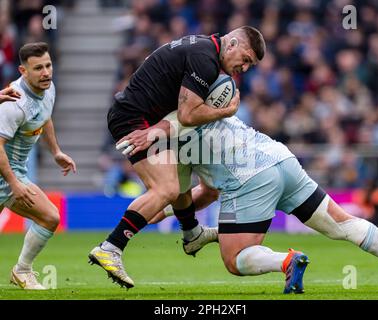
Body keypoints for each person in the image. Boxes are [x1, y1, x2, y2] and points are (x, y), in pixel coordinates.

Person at [147, 111, 378, 293]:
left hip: (251, 177)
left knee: (235, 258)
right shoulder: (207, 106)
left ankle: (285, 261)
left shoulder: (173, 132)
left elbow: (202, 193)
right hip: (281, 159)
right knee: (342, 225)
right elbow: (208, 192)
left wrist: (162, 209)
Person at [88, 26, 266, 288]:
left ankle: (192, 233)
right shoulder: (205, 59)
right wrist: (225, 112)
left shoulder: (204, 49)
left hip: (144, 117)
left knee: (181, 185)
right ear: (233, 44)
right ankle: (111, 246)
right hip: (134, 119)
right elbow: (186, 115)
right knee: (167, 188)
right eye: (246, 59)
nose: (245, 68)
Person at [0, 42, 77, 290]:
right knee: (50, 216)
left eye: (48, 65)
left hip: (14, 172)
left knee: (49, 217)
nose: (46, 72)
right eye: (38, 68)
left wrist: (55, 151)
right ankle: (22, 271)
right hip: (5, 174)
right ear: (23, 71)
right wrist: (13, 183)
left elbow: (46, 116)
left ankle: (22, 271)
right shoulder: (14, 103)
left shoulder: (48, 87)